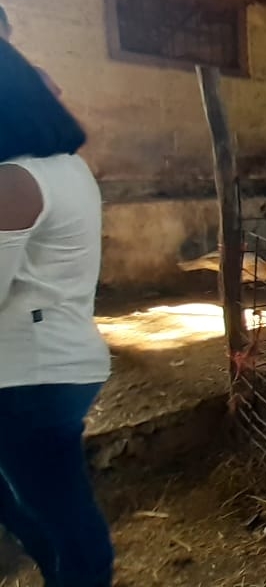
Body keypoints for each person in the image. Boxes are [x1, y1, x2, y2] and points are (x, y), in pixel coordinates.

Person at [0, 38, 114, 586]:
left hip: (27, 373)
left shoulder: (17, 180)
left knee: (64, 522)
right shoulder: (68, 170)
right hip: (60, 359)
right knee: (39, 507)